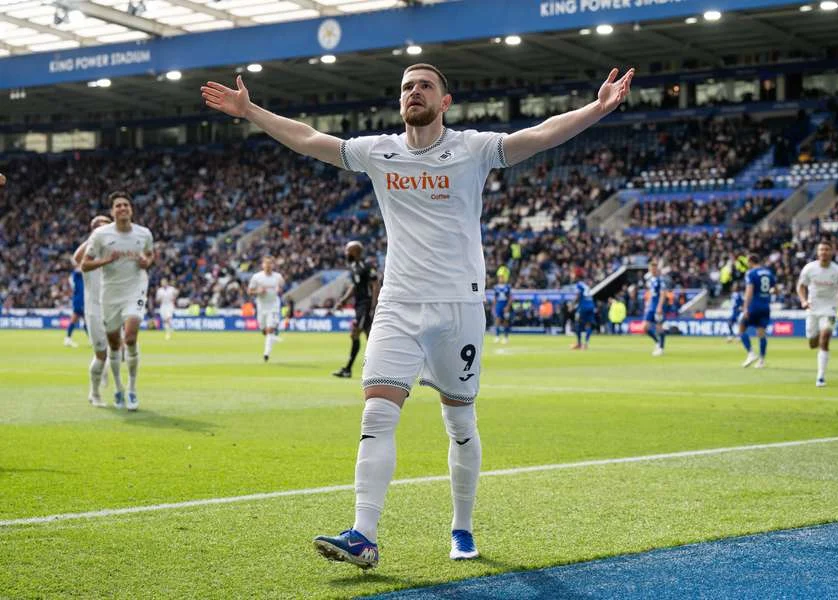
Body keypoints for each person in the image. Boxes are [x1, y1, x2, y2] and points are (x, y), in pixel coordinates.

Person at [202, 61, 633, 569]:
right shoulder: (378, 152)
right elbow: (310, 139)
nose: (414, 92)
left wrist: (598, 108)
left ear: (444, 102)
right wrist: (250, 110)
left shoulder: (473, 148)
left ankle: (462, 527)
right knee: (377, 413)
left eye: (425, 86)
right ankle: (363, 534)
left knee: (460, 422)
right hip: (399, 303)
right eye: (407, 86)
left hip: (459, 306)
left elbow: (538, 135)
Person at [80, 192, 154, 411]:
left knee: (130, 338)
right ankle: (118, 389)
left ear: (131, 209)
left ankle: (132, 389)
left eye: (126, 205)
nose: (122, 208)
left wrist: (146, 261)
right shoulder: (101, 235)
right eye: (118, 206)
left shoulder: (143, 233)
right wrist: (106, 260)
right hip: (110, 293)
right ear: (113, 212)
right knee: (114, 345)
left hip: (135, 289)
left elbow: (150, 255)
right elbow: (84, 264)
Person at [72, 215, 113, 407]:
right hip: (95, 309)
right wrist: (93, 238)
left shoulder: (114, 249)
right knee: (100, 354)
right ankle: (94, 393)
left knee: (117, 353)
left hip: (115, 307)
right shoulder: (89, 252)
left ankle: (104, 373)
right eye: (99, 227)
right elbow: (76, 259)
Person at [797, 240, 838, 387]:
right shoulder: (809, 268)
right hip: (813, 309)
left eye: (827, 249)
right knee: (813, 343)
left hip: (830, 309)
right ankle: (817, 336)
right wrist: (803, 301)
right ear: (818, 252)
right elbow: (800, 286)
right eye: (821, 250)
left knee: (825, 339)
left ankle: (820, 376)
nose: (824, 252)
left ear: (831, 252)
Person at [333, 241, 380, 378]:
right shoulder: (353, 266)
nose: (345, 253)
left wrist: (373, 305)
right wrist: (343, 300)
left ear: (355, 252)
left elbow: (375, 284)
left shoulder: (366, 266)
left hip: (365, 304)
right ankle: (382, 370)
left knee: (356, 334)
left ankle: (349, 369)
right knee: (371, 337)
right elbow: (354, 286)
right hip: (359, 305)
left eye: (348, 250)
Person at [739, 254, 775, 368]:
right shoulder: (769, 273)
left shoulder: (751, 273)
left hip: (754, 305)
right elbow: (775, 289)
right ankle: (761, 361)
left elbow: (749, 291)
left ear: (750, 262)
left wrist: (745, 307)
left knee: (741, 328)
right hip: (765, 306)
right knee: (761, 333)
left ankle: (751, 353)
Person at [248, 256, 285, 362]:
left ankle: (266, 354)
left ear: (273, 265)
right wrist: (258, 292)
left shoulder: (277, 277)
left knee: (270, 329)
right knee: (264, 330)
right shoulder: (256, 277)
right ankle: (272, 338)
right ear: (262, 265)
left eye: (270, 263)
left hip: (273, 305)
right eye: (266, 263)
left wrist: (280, 287)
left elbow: (282, 285)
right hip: (261, 306)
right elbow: (249, 291)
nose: (268, 265)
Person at [642, 261, 666, 356]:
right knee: (645, 327)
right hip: (651, 306)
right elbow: (651, 294)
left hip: (657, 306)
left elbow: (663, 294)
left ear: (656, 269)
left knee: (659, 327)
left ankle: (661, 348)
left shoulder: (661, 280)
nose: (652, 270)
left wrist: (659, 306)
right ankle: (657, 342)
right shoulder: (651, 280)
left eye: (653, 269)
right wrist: (647, 304)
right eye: (651, 268)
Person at [570, 268, 595, 350]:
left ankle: (579, 343)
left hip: (583, 307)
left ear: (576, 276)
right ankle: (586, 344)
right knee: (588, 325)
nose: (571, 276)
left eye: (573, 274)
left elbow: (577, 295)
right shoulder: (586, 285)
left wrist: (572, 305)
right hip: (590, 306)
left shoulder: (578, 285)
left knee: (578, 324)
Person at [63, 268, 85, 348]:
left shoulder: (80, 276)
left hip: (81, 299)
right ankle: (68, 339)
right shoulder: (76, 274)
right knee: (77, 318)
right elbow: (79, 270)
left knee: (84, 320)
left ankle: (68, 339)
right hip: (80, 300)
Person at [492, 272, 512, 344]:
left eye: (502, 277)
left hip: (505, 304)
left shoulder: (507, 287)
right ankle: (497, 336)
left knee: (505, 321)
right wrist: (494, 307)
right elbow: (495, 298)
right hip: (499, 304)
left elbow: (510, 298)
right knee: (497, 320)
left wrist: (507, 306)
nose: (501, 279)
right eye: (500, 277)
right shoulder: (496, 287)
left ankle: (506, 337)